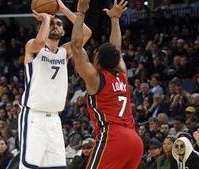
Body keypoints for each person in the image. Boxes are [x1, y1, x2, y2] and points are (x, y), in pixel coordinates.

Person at [19, 0, 91, 168]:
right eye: (52, 23)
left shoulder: (64, 52)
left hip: (54, 119)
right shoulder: (33, 47)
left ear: (64, 30)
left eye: (59, 24)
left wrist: (63, 9)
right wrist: (45, 18)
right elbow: (40, 41)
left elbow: (86, 33)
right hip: (34, 117)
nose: (55, 25)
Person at [71, 0, 143, 168]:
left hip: (113, 137)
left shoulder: (95, 78)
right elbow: (116, 50)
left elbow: (75, 47)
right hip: (134, 140)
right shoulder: (122, 74)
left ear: (97, 60)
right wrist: (115, 19)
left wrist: (80, 13)